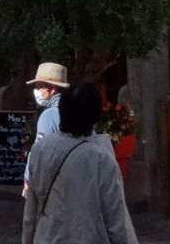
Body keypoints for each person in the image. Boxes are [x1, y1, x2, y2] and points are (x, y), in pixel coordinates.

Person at [21, 83, 136, 244]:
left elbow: (30, 216)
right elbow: (117, 222)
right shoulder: (101, 159)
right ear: (95, 116)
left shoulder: (40, 150)